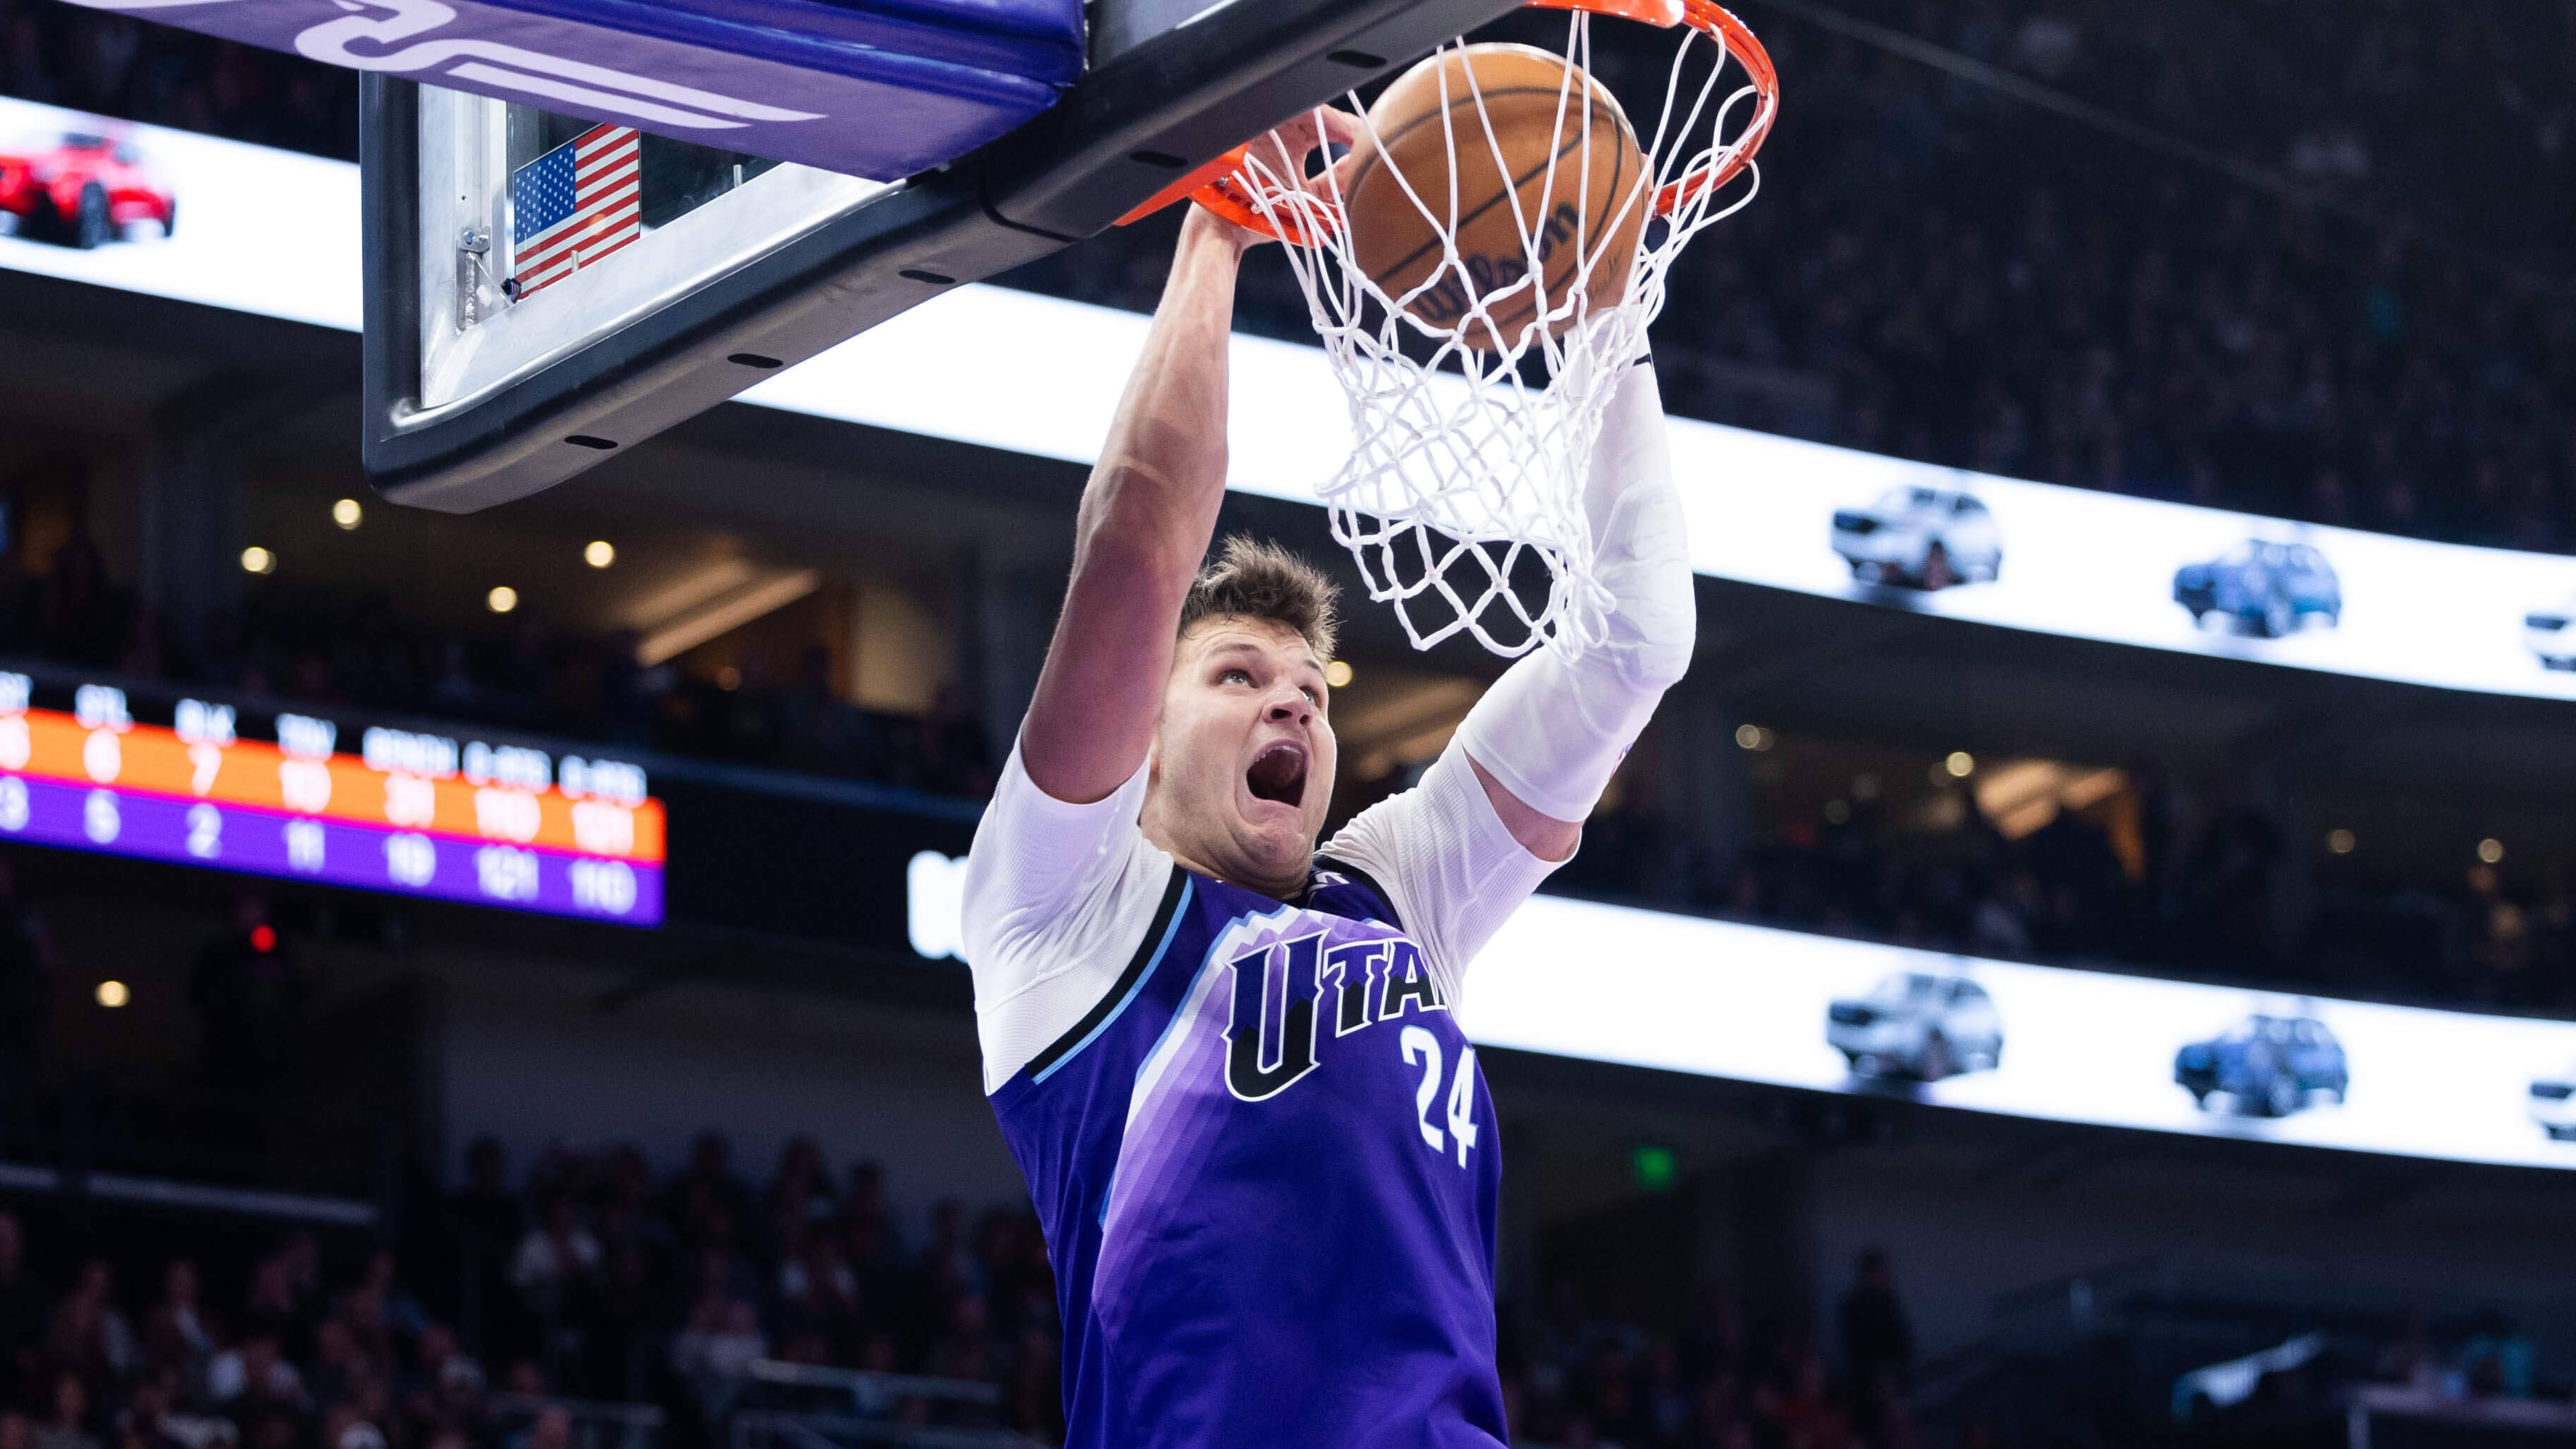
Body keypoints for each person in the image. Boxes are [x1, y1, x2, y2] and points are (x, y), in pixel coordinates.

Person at [959, 112, 1696, 1448]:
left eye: (1308, 688)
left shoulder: (1395, 889)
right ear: (1145, 743)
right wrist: (1221, 231)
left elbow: (1632, 642)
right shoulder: (1063, 905)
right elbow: (1138, 544)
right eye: (1236, 676)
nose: (1290, 697)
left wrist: (1600, 318)